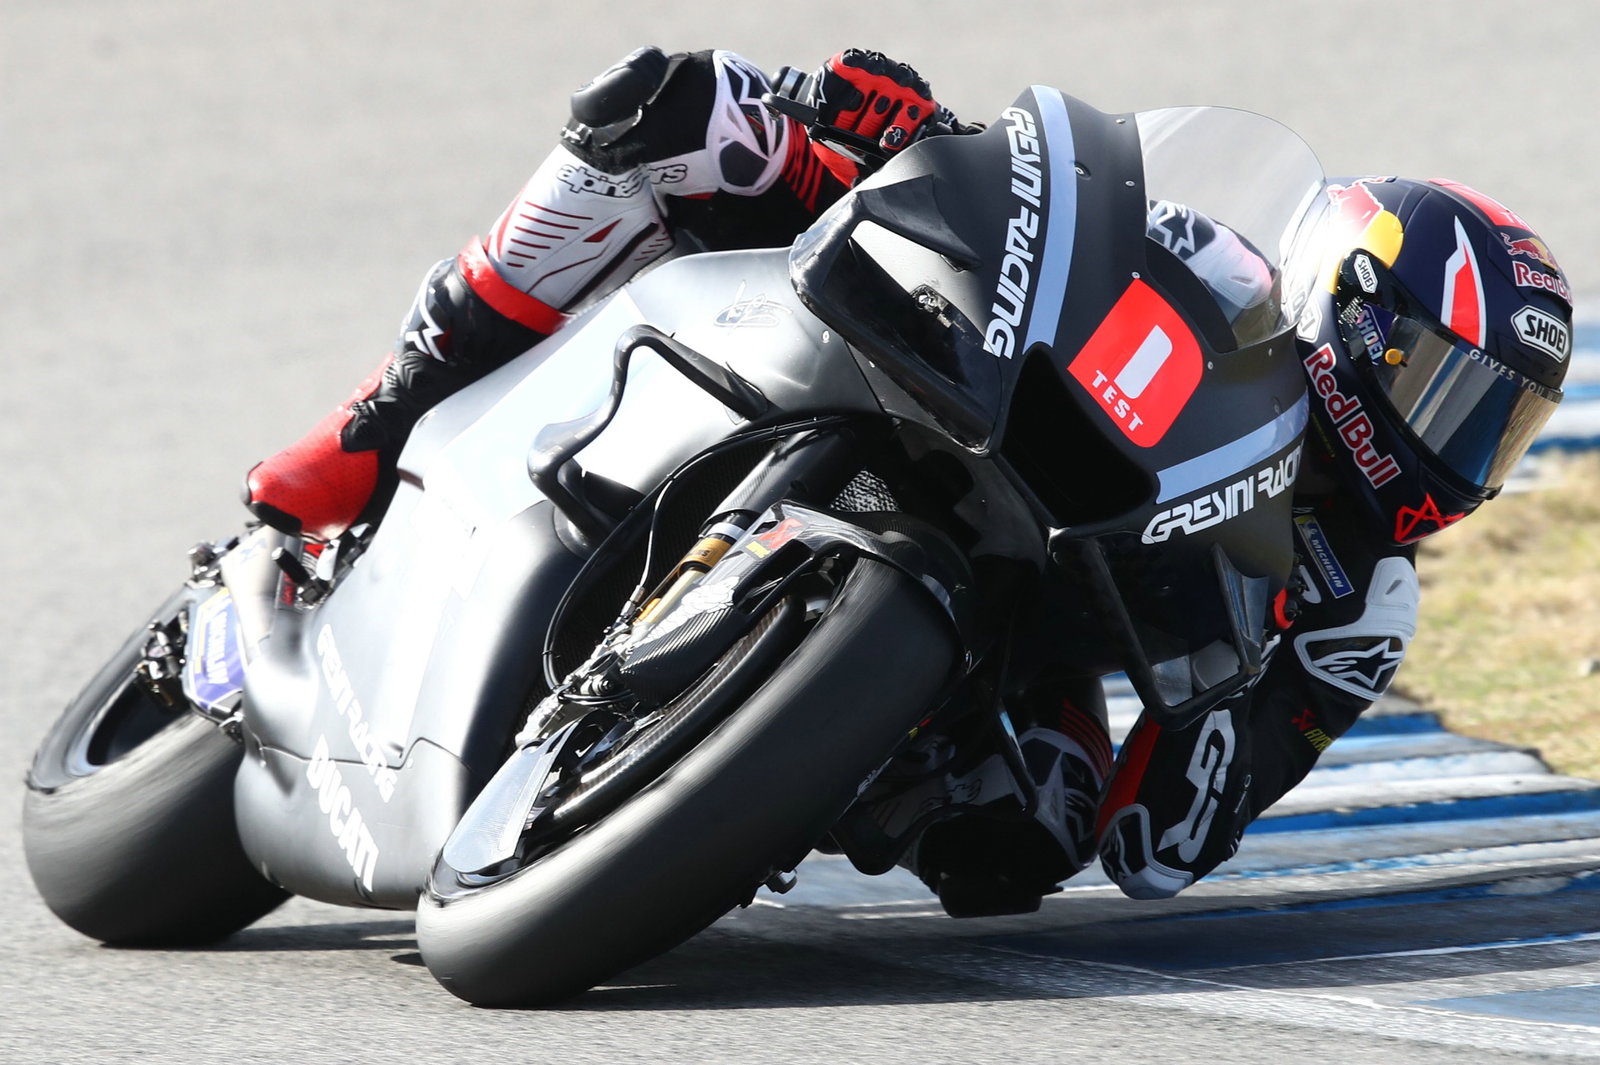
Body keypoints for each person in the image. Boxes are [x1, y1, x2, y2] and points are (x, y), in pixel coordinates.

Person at [241, 47, 1575, 912]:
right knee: (670, 109)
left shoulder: (1361, 600)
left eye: (1493, 430)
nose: (1453, 449)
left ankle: (736, 776)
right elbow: (1047, 216)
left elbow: (1164, 844)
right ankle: (384, 408)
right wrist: (898, 127)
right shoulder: (1220, 264)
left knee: (1023, 843)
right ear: (1352, 301)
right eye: (1445, 391)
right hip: (948, 403)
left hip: (1027, 628)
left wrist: (1244, 692)